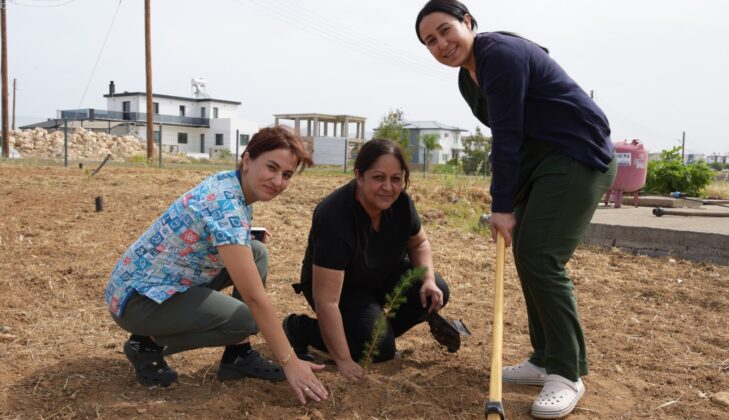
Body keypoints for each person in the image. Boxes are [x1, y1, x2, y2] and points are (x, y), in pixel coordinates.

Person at [416, 1, 617, 418]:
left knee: (541, 257)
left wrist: (502, 206)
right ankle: (544, 358)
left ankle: (567, 372)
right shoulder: (467, 79)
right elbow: (513, 137)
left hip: (575, 156)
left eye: (445, 30)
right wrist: (512, 199)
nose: (441, 44)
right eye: (429, 41)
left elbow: (506, 135)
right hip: (541, 163)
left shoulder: (500, 56)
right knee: (528, 255)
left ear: (468, 22)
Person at [105, 126, 328, 405]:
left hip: (159, 282)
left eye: (286, 175)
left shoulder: (231, 184)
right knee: (247, 318)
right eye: (271, 167)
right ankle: (147, 344)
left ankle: (238, 354)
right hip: (137, 301)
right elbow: (254, 298)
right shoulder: (227, 207)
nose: (278, 181)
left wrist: (249, 234)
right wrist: (289, 361)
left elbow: (215, 227)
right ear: (247, 161)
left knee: (256, 251)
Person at [283, 138, 454, 382]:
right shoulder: (335, 216)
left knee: (436, 289)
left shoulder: (402, 203)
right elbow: (327, 300)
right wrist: (342, 358)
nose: (388, 187)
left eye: (396, 178)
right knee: (379, 349)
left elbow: (419, 243)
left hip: (381, 275)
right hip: (342, 290)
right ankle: (298, 328)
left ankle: (371, 333)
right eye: (378, 177)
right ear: (359, 176)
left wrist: (427, 280)